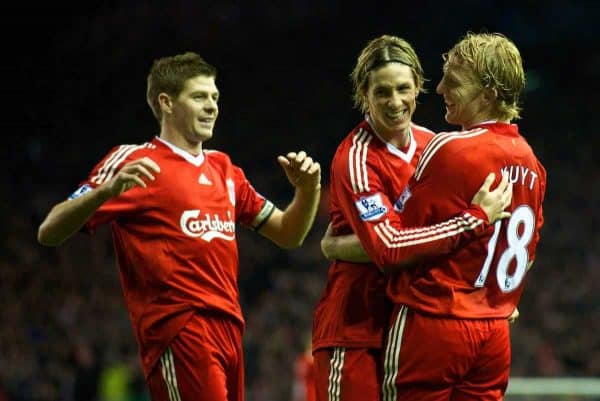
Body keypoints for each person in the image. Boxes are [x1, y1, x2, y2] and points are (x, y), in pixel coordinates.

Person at [37, 51, 322, 401]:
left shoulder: (225, 170)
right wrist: (105, 192)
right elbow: (49, 231)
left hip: (230, 332)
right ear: (166, 102)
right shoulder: (135, 160)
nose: (212, 106)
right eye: (199, 96)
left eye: (215, 97)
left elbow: (288, 233)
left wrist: (308, 191)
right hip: (180, 331)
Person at [322, 32, 547, 400]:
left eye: (404, 88)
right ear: (363, 95)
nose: (440, 89)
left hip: (431, 320)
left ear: (486, 94)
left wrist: (336, 246)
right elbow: (526, 249)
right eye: (382, 92)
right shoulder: (532, 163)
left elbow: (392, 243)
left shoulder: (444, 146)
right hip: (361, 327)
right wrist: (498, 293)